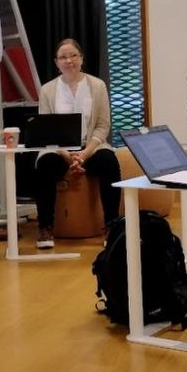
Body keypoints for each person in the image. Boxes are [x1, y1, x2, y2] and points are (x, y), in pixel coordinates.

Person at [34, 38, 122, 248]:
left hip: (91, 146)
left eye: (73, 55)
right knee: (44, 165)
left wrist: (84, 154)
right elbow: (47, 130)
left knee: (108, 161)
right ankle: (45, 227)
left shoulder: (97, 85)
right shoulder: (47, 90)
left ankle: (112, 225)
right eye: (63, 57)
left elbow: (103, 125)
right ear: (56, 62)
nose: (69, 61)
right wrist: (67, 155)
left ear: (81, 58)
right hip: (58, 149)